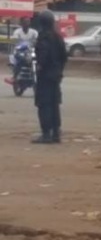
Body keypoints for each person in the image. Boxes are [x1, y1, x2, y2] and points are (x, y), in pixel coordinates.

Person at [33, 10, 68, 144]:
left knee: (44, 104)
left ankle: (46, 134)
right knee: (54, 104)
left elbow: (42, 56)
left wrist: (40, 67)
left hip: (45, 76)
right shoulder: (58, 36)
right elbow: (64, 56)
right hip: (56, 75)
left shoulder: (43, 37)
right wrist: (59, 70)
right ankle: (56, 133)